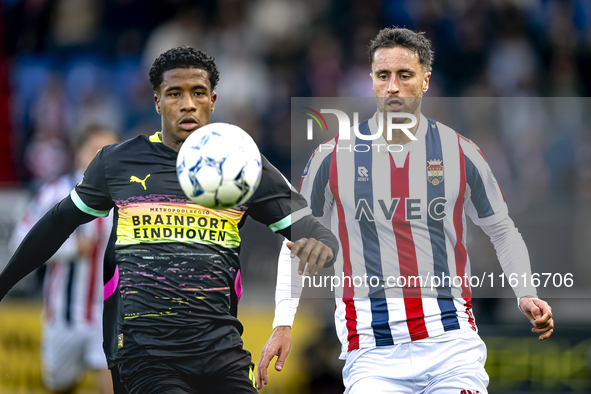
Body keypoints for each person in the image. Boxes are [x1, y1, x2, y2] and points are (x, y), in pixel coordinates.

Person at [0, 46, 338, 394]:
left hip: (222, 353)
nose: (187, 103)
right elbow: (58, 222)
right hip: (144, 354)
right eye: (175, 93)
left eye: (198, 93)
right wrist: (3, 283)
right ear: (158, 101)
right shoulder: (117, 162)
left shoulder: (243, 165)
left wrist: (321, 249)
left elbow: (314, 233)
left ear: (213, 100)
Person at [257, 27, 554, 394]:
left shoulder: (461, 152)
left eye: (404, 75)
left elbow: (502, 229)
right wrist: (283, 322)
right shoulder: (332, 156)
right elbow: (296, 242)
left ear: (425, 81)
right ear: (371, 81)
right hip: (372, 356)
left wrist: (524, 291)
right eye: (383, 76)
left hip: (451, 348)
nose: (393, 87)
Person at [10, 125, 118, 394]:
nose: (103, 158)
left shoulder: (126, 199)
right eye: (96, 151)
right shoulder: (55, 193)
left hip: (106, 316)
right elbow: (19, 242)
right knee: (60, 385)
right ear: (78, 153)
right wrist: (71, 249)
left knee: (111, 383)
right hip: (63, 317)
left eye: (111, 151)